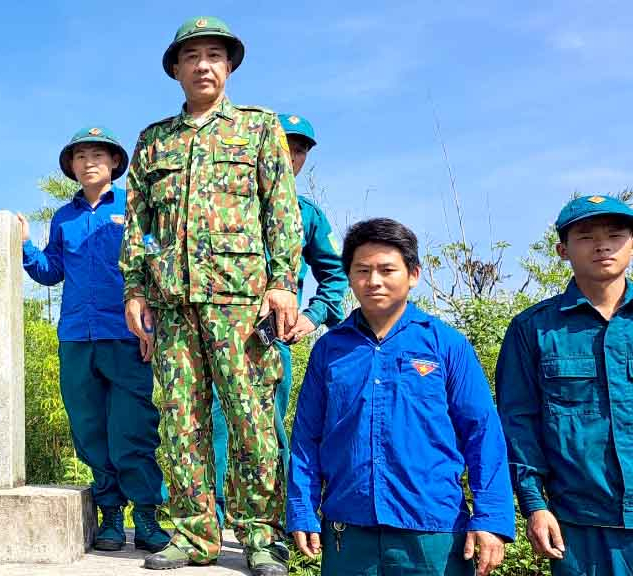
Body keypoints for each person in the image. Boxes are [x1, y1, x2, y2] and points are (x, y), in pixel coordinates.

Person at [120, 16, 303, 573]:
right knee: (180, 422)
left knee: (252, 421)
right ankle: (194, 536)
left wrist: (283, 284)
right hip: (173, 305)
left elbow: (281, 212)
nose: (203, 65)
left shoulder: (258, 129)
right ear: (175, 69)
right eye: (192, 56)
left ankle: (260, 536)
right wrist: (135, 288)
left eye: (214, 56)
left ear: (228, 66)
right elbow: (139, 224)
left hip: (241, 302)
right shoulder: (155, 142)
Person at [287, 218, 514, 575]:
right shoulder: (329, 351)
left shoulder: (445, 344)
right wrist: (302, 509)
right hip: (349, 532)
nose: (373, 280)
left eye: (386, 269)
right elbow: (306, 438)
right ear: (349, 276)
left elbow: (482, 432)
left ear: (413, 275)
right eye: (362, 270)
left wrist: (491, 518)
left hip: (434, 534)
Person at [17, 126, 171, 553]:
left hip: (125, 335)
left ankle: (146, 516)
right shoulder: (64, 217)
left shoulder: (135, 207)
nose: (89, 163)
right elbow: (51, 271)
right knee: (88, 427)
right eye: (80, 156)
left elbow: (152, 269)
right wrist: (26, 246)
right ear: (71, 167)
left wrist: (152, 328)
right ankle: (109, 515)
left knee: (133, 426)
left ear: (115, 164)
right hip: (75, 337)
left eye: (98, 156)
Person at [209, 113, 348, 523]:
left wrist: (315, 314)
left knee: (267, 432)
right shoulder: (225, 205)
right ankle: (209, 520)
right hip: (214, 336)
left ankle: (273, 524)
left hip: (269, 339)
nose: (290, 156)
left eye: (300, 149)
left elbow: (335, 272)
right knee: (211, 427)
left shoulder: (307, 214)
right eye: (284, 146)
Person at [496, 195, 633, 575]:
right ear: (562, 250)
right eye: (586, 237)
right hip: (580, 526)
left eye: (616, 234)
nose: (603, 245)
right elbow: (518, 423)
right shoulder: (533, 329)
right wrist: (534, 505)